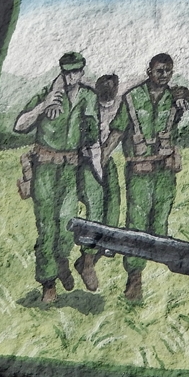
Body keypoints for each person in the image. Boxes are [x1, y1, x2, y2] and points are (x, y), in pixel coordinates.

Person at [103, 53, 189, 301]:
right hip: (139, 172)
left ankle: (161, 285)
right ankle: (134, 278)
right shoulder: (132, 98)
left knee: (160, 224)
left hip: (165, 172)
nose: (163, 75)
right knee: (136, 223)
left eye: (168, 71)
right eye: (159, 70)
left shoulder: (176, 98)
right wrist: (100, 159)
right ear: (149, 71)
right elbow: (116, 131)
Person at [14, 52, 98, 304]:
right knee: (46, 227)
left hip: (71, 169)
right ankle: (48, 283)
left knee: (66, 223)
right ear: (62, 72)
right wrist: (43, 106)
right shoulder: (48, 94)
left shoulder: (87, 96)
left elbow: (94, 132)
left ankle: (62, 260)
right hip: (46, 170)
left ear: (82, 72)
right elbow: (19, 125)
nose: (73, 76)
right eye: (68, 72)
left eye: (77, 71)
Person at [75, 74, 121, 292]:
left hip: (108, 160)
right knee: (95, 209)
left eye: (112, 86)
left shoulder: (119, 106)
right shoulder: (87, 106)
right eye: (104, 86)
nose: (108, 89)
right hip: (87, 162)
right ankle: (87, 263)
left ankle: (92, 260)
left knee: (113, 211)